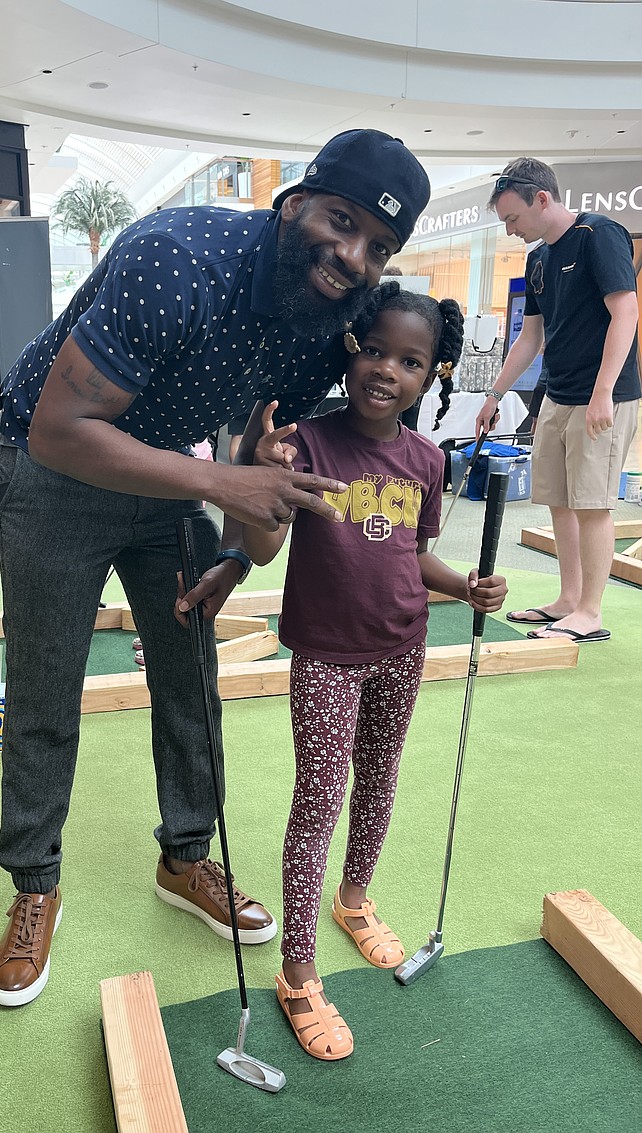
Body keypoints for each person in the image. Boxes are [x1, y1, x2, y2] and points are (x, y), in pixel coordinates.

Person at [0, 128, 432, 1008]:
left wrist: (232, 548)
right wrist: (219, 476)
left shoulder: (328, 324)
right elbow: (59, 429)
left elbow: (254, 455)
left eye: (378, 246)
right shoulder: (175, 260)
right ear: (294, 201)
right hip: (50, 469)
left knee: (190, 675)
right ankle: (34, 884)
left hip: (161, 473)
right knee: (49, 679)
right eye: (341, 221)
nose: (352, 256)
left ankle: (186, 858)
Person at [239, 282, 507, 1059]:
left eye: (412, 361)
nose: (389, 369)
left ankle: (354, 900)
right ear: (353, 347)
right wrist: (262, 481)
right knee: (319, 798)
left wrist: (466, 585)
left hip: (403, 642)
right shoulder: (306, 443)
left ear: (432, 376)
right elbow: (263, 549)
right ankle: (297, 971)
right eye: (378, 350)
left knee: (380, 776)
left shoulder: (426, 458)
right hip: (325, 651)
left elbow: (414, 554)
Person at [476, 159, 640, 642]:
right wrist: (494, 395)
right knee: (559, 500)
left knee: (591, 503)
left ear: (541, 199)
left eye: (513, 219)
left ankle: (590, 613)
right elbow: (530, 337)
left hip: (601, 394)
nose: (510, 230)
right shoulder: (538, 258)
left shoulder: (600, 235)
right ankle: (568, 600)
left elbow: (625, 311)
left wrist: (604, 391)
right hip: (558, 394)